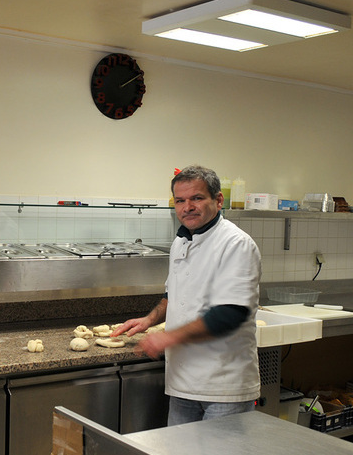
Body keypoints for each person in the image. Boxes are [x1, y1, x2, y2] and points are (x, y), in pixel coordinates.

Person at [112, 165, 261, 425]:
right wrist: (149, 321)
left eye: (197, 198)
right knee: (178, 452)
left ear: (218, 200)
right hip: (182, 383)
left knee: (218, 454)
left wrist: (167, 338)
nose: (187, 207)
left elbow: (230, 313)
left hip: (224, 386)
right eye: (180, 200)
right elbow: (173, 294)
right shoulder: (180, 242)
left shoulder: (236, 244)